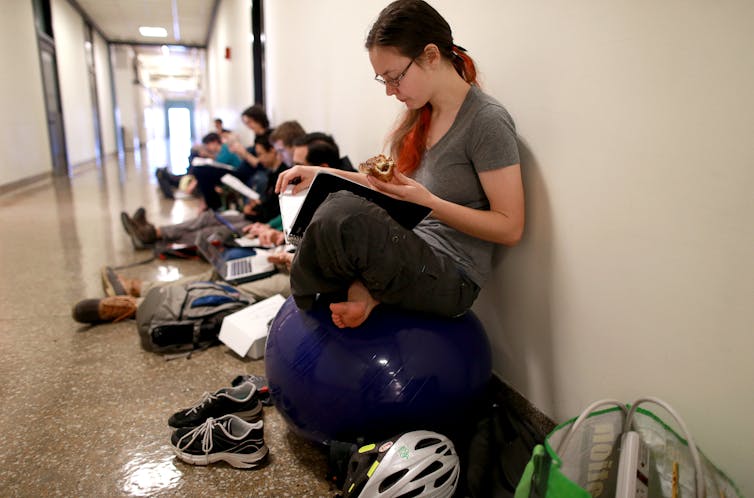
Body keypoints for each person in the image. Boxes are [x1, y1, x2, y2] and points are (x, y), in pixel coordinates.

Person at [275, 0, 525, 329]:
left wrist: (430, 204)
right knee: (331, 199)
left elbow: (510, 228)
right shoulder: (421, 115)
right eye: (384, 81)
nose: (391, 92)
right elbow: (396, 189)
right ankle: (353, 288)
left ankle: (309, 283)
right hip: (409, 247)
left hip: (451, 276)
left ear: (431, 56)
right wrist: (322, 173)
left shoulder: (486, 121)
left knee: (341, 214)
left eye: (395, 78)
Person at [73, 131, 345, 324]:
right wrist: (282, 240)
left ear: (321, 167)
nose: (292, 167)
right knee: (221, 272)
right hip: (291, 257)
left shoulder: (343, 203)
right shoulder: (314, 190)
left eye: (299, 163)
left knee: (235, 288)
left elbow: (334, 257)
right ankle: (143, 287)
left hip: (306, 275)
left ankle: (137, 306)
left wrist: (291, 251)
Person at [121, 132, 291, 248]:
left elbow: (281, 211)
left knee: (211, 232)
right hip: (254, 215)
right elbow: (271, 202)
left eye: (261, 154)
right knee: (206, 219)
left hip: (259, 222)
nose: (259, 158)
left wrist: (266, 224)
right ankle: (154, 232)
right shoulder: (274, 173)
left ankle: (155, 238)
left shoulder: (282, 174)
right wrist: (256, 204)